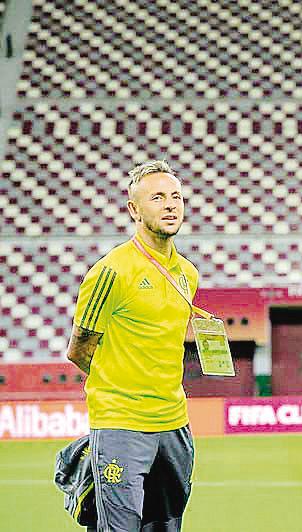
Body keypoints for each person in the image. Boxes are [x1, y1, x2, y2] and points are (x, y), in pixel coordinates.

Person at [66, 160, 198, 531]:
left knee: (166, 526)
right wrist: (125, 385)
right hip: (122, 424)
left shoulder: (188, 273)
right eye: (157, 197)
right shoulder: (111, 272)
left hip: (174, 424)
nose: (170, 205)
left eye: (175, 196)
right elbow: (79, 349)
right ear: (133, 210)